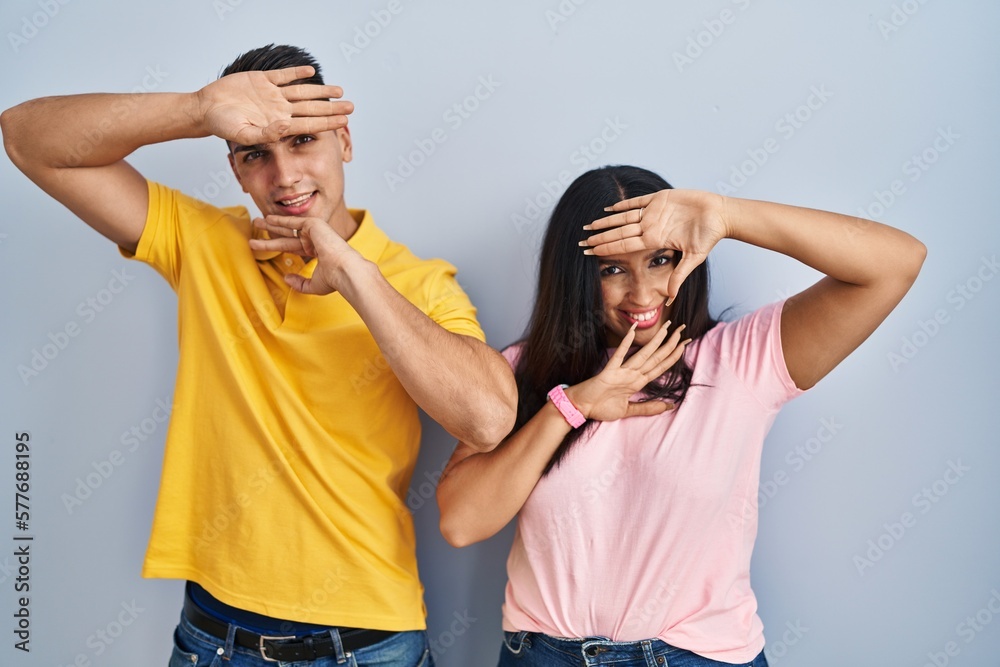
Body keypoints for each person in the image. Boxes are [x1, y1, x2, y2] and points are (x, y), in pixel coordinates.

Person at [1, 44, 517, 666]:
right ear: (236, 169)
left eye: (302, 142)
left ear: (344, 141)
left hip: (368, 642)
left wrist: (354, 275)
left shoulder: (417, 282)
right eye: (256, 154)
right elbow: (28, 138)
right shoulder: (201, 241)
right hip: (214, 637)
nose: (285, 176)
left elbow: (488, 419)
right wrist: (197, 109)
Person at [436, 165, 926, 666]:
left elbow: (897, 262)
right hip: (544, 654)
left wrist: (725, 215)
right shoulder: (520, 372)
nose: (643, 294)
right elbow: (461, 522)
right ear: (577, 276)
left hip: (696, 656)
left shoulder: (741, 359)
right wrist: (571, 407)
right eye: (612, 270)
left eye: (660, 260)